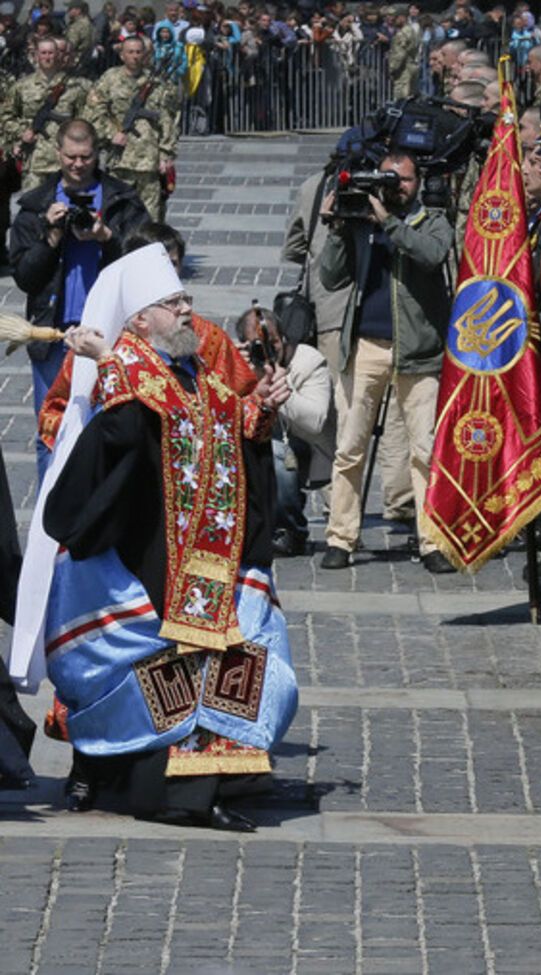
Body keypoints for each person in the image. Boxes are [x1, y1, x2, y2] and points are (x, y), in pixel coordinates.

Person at [32, 242, 297, 830]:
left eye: (185, 298)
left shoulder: (189, 365)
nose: (187, 309)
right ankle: (156, 786)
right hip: (138, 559)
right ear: (139, 319)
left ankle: (209, 781)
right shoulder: (122, 368)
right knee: (151, 683)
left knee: (239, 660)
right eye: (173, 302)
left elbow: (222, 416)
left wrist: (260, 409)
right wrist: (111, 364)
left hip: (205, 560)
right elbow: (117, 435)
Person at [316, 150, 454, 573]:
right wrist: (337, 228)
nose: (397, 187)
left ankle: (431, 541)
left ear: (417, 183)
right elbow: (331, 277)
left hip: (419, 351)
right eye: (389, 179)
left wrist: (389, 222)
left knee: (425, 451)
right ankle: (341, 538)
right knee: (349, 448)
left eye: (405, 180)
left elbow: (432, 255)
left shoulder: (431, 221)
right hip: (365, 347)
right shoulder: (362, 220)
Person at [9, 118, 149, 475]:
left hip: (110, 334)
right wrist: (51, 237)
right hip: (53, 334)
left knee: (108, 430)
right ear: (58, 152)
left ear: (96, 154)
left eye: (85, 157)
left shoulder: (122, 201)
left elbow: (145, 263)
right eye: (71, 156)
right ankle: (49, 511)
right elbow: (25, 277)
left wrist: (106, 237)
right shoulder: (35, 206)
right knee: (51, 433)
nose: (77, 164)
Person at [236, 305, 335, 558]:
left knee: (277, 453)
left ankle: (289, 529)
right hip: (249, 442)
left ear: (284, 338)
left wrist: (281, 389)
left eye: (274, 343)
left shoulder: (308, 361)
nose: (268, 351)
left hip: (300, 448)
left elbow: (316, 421)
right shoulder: (236, 364)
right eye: (258, 345)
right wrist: (241, 377)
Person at [85, 34, 179, 221]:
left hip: (149, 161)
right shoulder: (109, 79)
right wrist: (111, 134)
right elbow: (93, 112)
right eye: (130, 52)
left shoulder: (157, 83)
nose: (135, 56)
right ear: (122, 55)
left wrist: (166, 154)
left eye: (138, 52)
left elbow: (167, 120)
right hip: (119, 160)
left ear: (145, 54)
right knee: (117, 215)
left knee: (151, 217)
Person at [0, 35, 90, 192]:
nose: (47, 57)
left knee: (66, 204)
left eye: (51, 53)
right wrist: (22, 132)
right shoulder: (21, 86)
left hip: (66, 162)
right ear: (36, 56)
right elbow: (5, 116)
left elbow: (85, 121)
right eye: (43, 53)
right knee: (33, 204)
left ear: (58, 55)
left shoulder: (75, 86)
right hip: (34, 161)